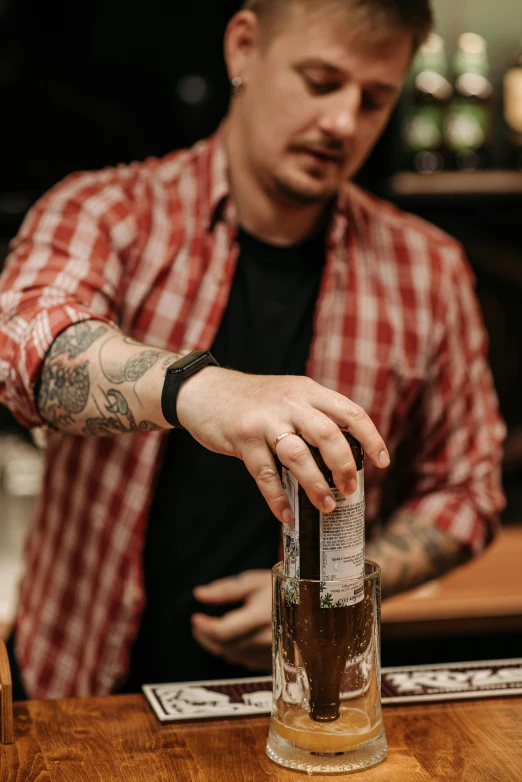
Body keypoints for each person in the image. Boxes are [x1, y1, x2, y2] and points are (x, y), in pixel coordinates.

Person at [0, 0, 505, 701]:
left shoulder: (428, 269)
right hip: (85, 695)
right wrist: (204, 390)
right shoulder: (106, 211)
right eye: (322, 81)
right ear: (243, 48)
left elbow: (467, 486)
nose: (342, 122)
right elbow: (24, 350)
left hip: (306, 706)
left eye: (374, 99)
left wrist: (335, 583)